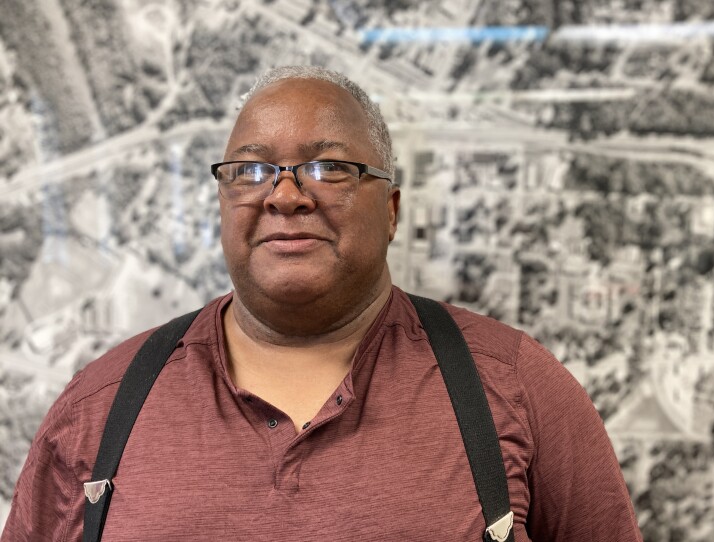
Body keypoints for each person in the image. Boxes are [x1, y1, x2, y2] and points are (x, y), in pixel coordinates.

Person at [2, 66, 642, 541]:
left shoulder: (515, 386)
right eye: (250, 171)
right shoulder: (101, 409)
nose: (284, 196)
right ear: (223, 203)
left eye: (329, 167)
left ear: (391, 209)